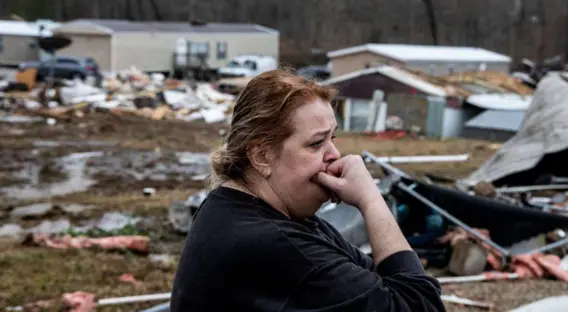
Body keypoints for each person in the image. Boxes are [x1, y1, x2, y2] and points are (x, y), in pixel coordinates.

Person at [170, 70, 445, 312]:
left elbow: (379, 282)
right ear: (262, 155)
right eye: (316, 144)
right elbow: (421, 306)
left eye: (332, 139)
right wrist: (372, 201)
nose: (335, 154)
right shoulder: (274, 244)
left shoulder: (243, 210)